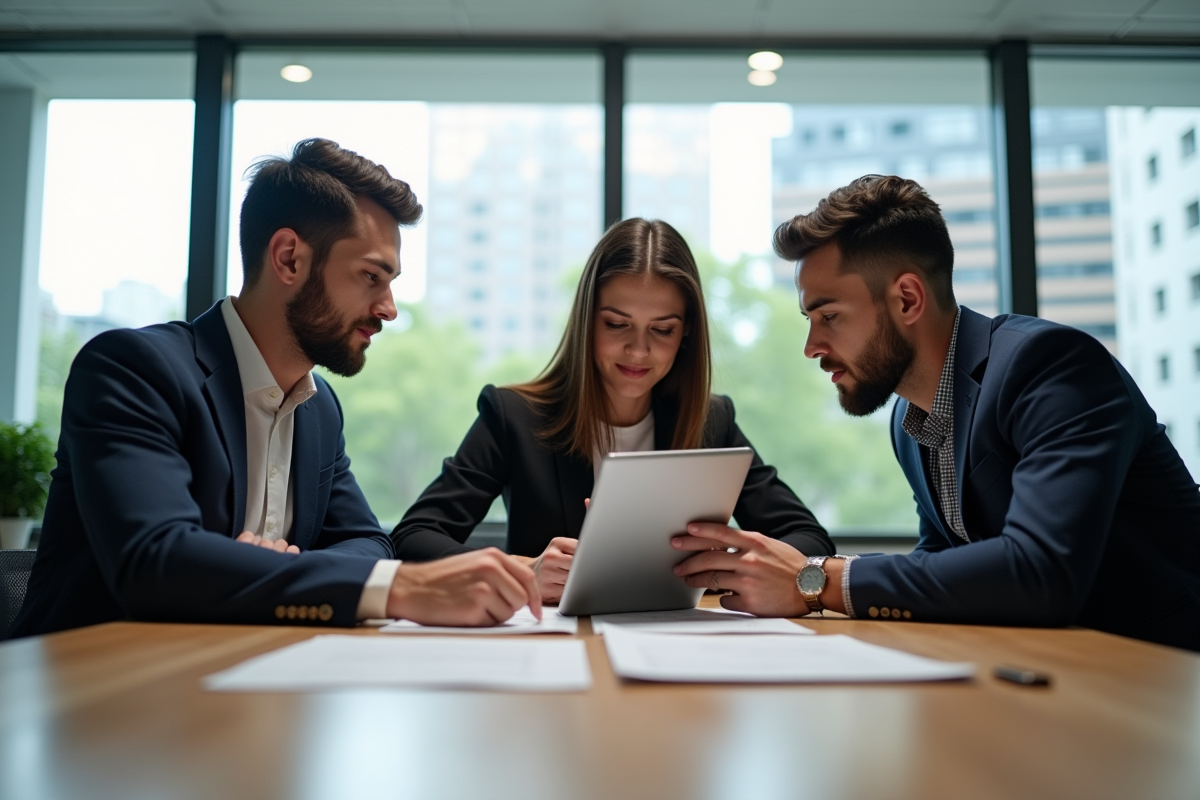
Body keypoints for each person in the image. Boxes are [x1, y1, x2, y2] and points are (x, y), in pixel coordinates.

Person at [7, 138, 539, 639]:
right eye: (371, 277)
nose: (388, 309)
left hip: (234, 685)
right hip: (91, 696)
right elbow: (156, 560)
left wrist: (275, 569)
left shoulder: (319, 407)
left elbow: (368, 541)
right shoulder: (134, 369)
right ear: (288, 258)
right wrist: (399, 586)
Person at [672, 174, 1200, 651]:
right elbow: (938, 571)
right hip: (1061, 670)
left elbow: (1041, 572)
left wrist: (814, 579)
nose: (812, 345)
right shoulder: (911, 421)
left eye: (829, 315)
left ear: (906, 299)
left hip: (1165, 676)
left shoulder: (1049, 367)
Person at [392, 218, 833, 602]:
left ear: (685, 336)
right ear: (587, 321)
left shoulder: (710, 420)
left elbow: (810, 541)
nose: (638, 350)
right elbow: (412, 539)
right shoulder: (513, 415)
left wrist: (728, 565)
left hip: (672, 645)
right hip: (554, 649)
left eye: (662, 330)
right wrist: (525, 571)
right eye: (617, 324)